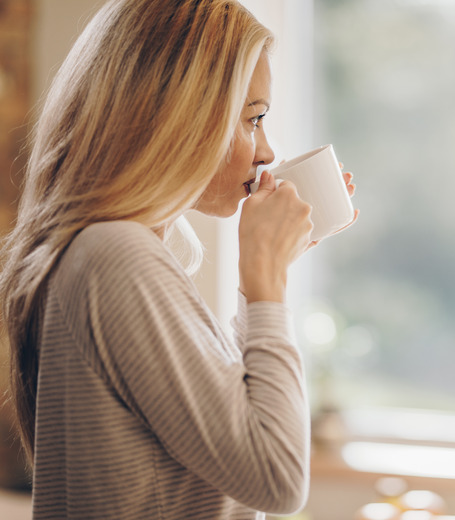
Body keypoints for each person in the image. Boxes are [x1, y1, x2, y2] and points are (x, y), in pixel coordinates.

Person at [0, 0, 356, 518]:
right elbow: (277, 478)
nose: (267, 153)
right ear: (180, 115)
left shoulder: (111, 252)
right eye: (253, 119)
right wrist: (266, 281)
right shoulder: (116, 256)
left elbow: (222, 427)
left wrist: (263, 278)